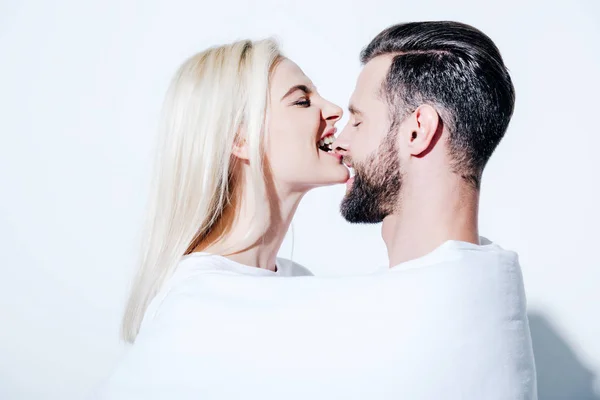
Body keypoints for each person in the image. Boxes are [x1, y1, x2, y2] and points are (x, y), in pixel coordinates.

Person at [97, 22, 537, 400]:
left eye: (358, 119)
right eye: (302, 100)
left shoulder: (297, 286)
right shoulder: (193, 315)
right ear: (241, 138)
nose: (333, 112)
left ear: (418, 130)